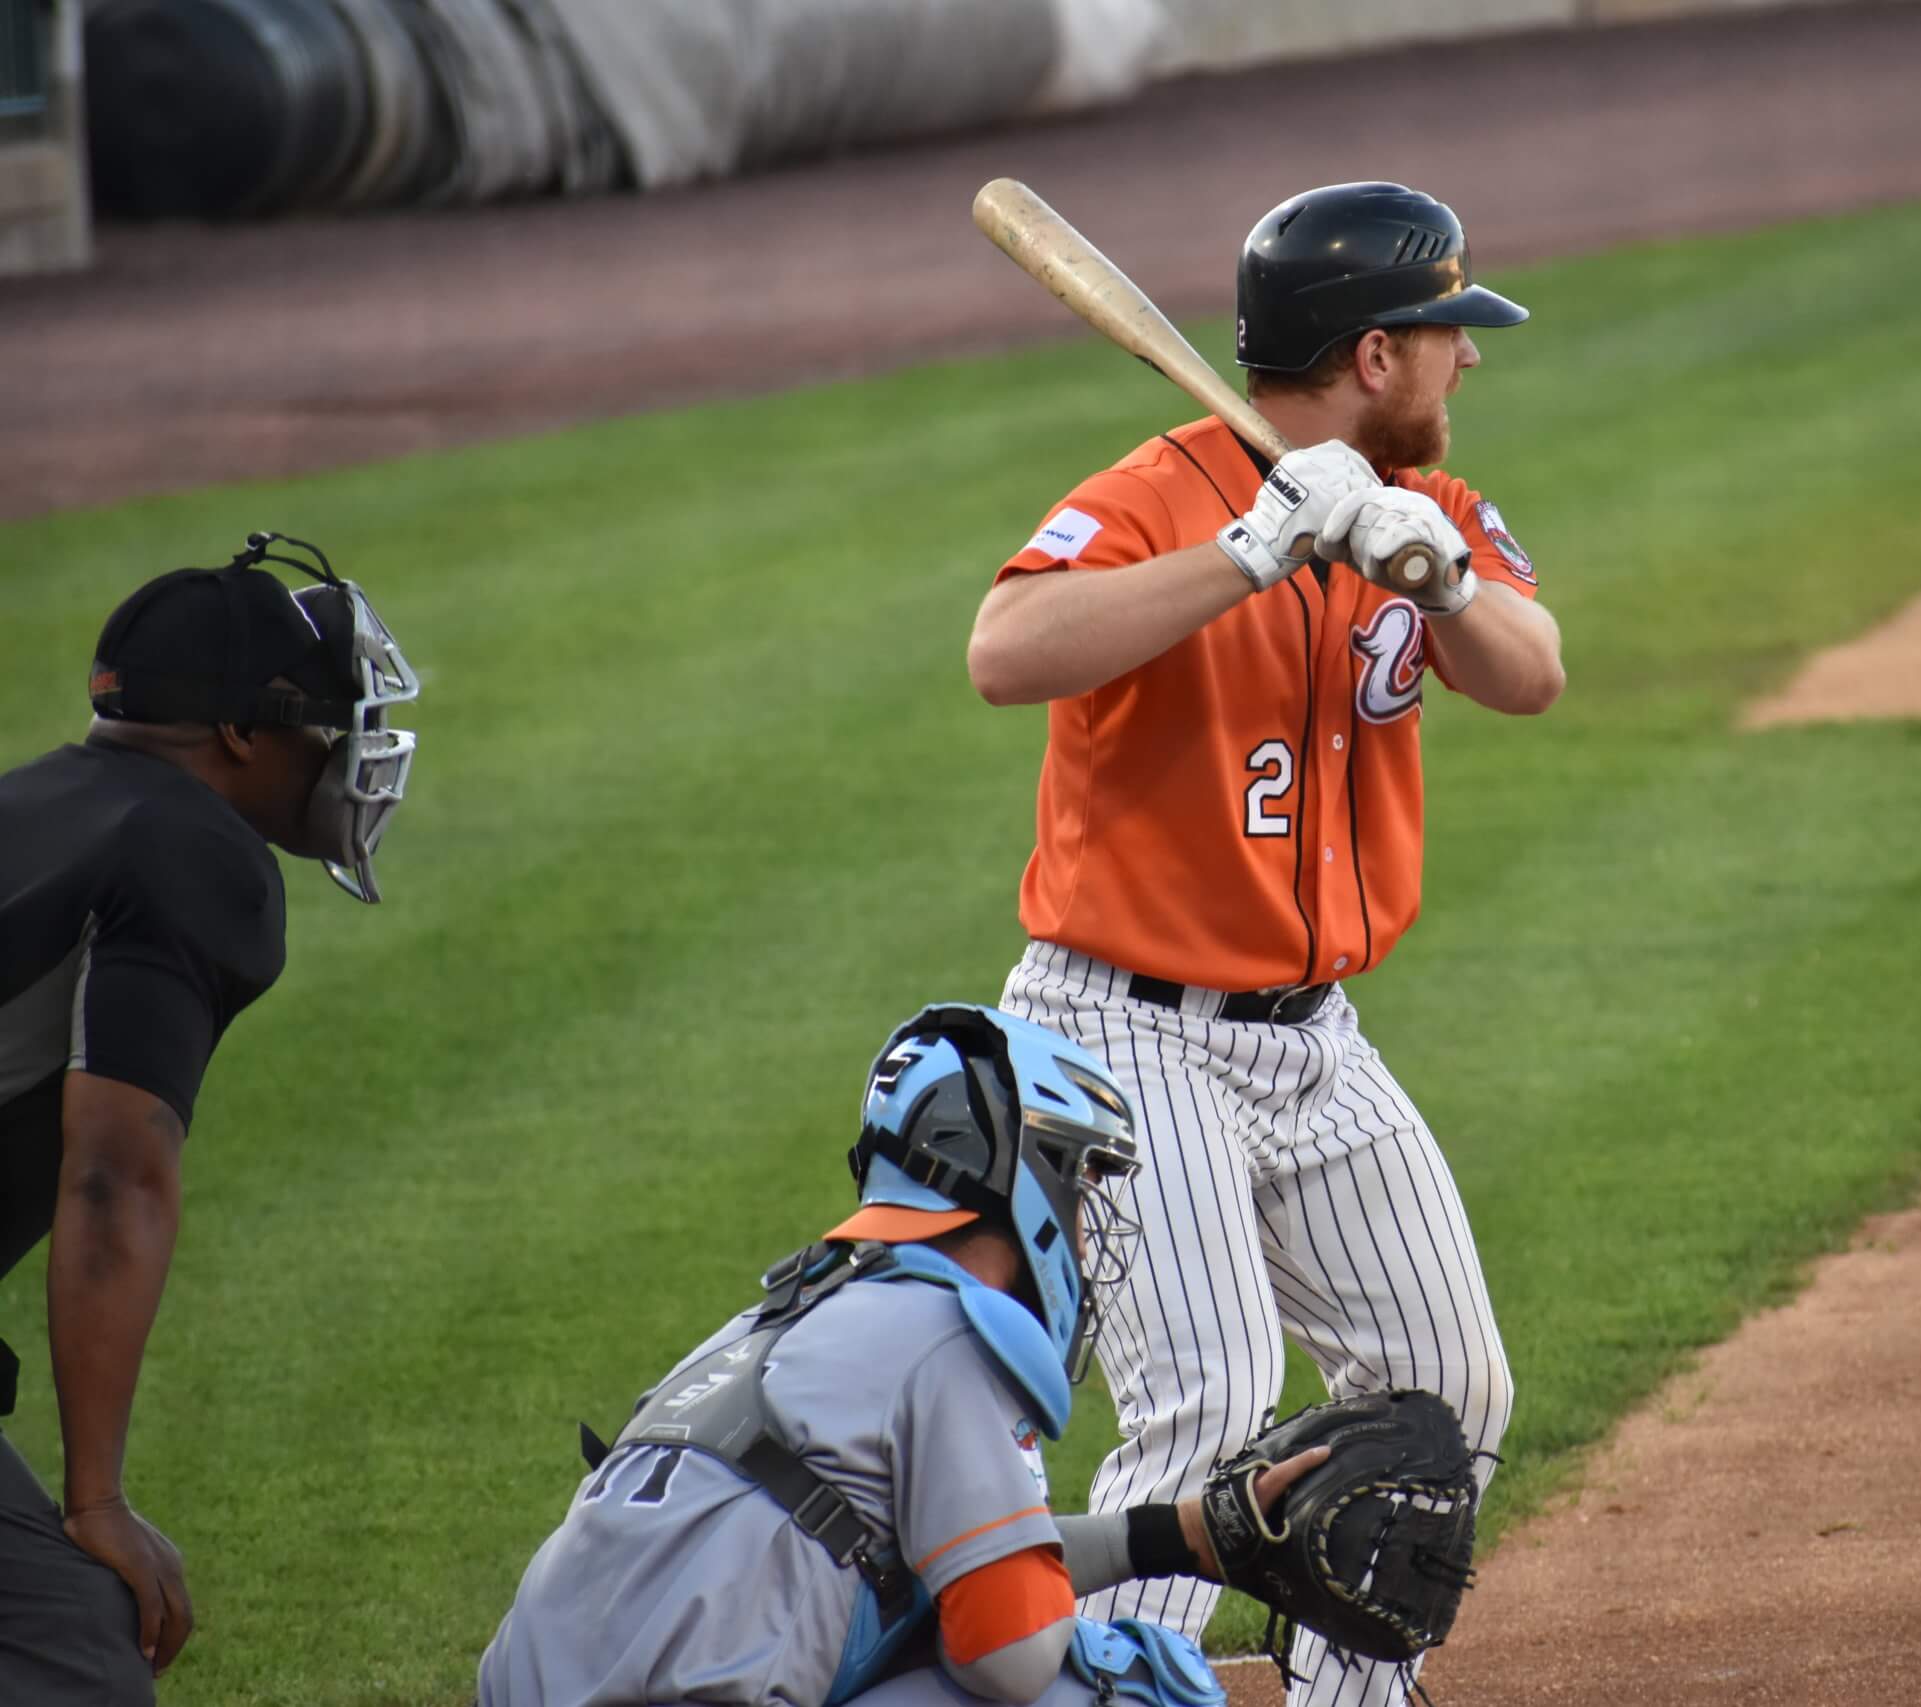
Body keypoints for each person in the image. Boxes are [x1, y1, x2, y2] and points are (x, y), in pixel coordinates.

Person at [966, 180, 1562, 1705]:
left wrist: (1438, 574)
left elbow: (1534, 674)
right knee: (1207, 1407)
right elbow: (1005, 648)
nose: (1469, 362)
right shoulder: (1162, 492)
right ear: (1374, 354)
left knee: (1448, 1380)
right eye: (1447, 335)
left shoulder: (1433, 501)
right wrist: (1247, 552)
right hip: (1124, 1026)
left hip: (1315, 1042)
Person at [480, 1004, 1324, 1707]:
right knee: (1130, 1685)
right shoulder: (945, 1333)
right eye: (1080, 1181)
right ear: (1017, 1174)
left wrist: (1181, 1536)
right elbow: (1012, 1653)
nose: (1083, 1220)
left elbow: (925, 1563)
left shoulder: (780, 1321)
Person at [0, 533, 420, 1703]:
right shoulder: (194, 851)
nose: (341, 746)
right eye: (321, 722)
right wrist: (97, 1503)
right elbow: (112, 1179)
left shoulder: (31, 806)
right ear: (242, 733)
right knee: (73, 1656)